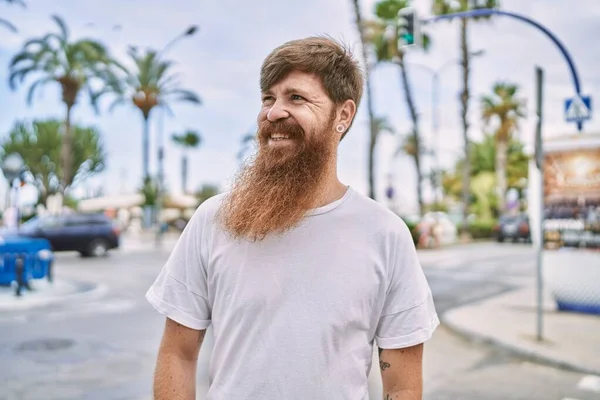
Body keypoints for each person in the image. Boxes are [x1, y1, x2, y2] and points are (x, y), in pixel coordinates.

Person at [146, 36, 439, 400]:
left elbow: (404, 386)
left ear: (342, 116)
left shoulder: (385, 234)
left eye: (295, 97)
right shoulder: (213, 219)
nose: (273, 112)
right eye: (268, 98)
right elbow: (178, 352)